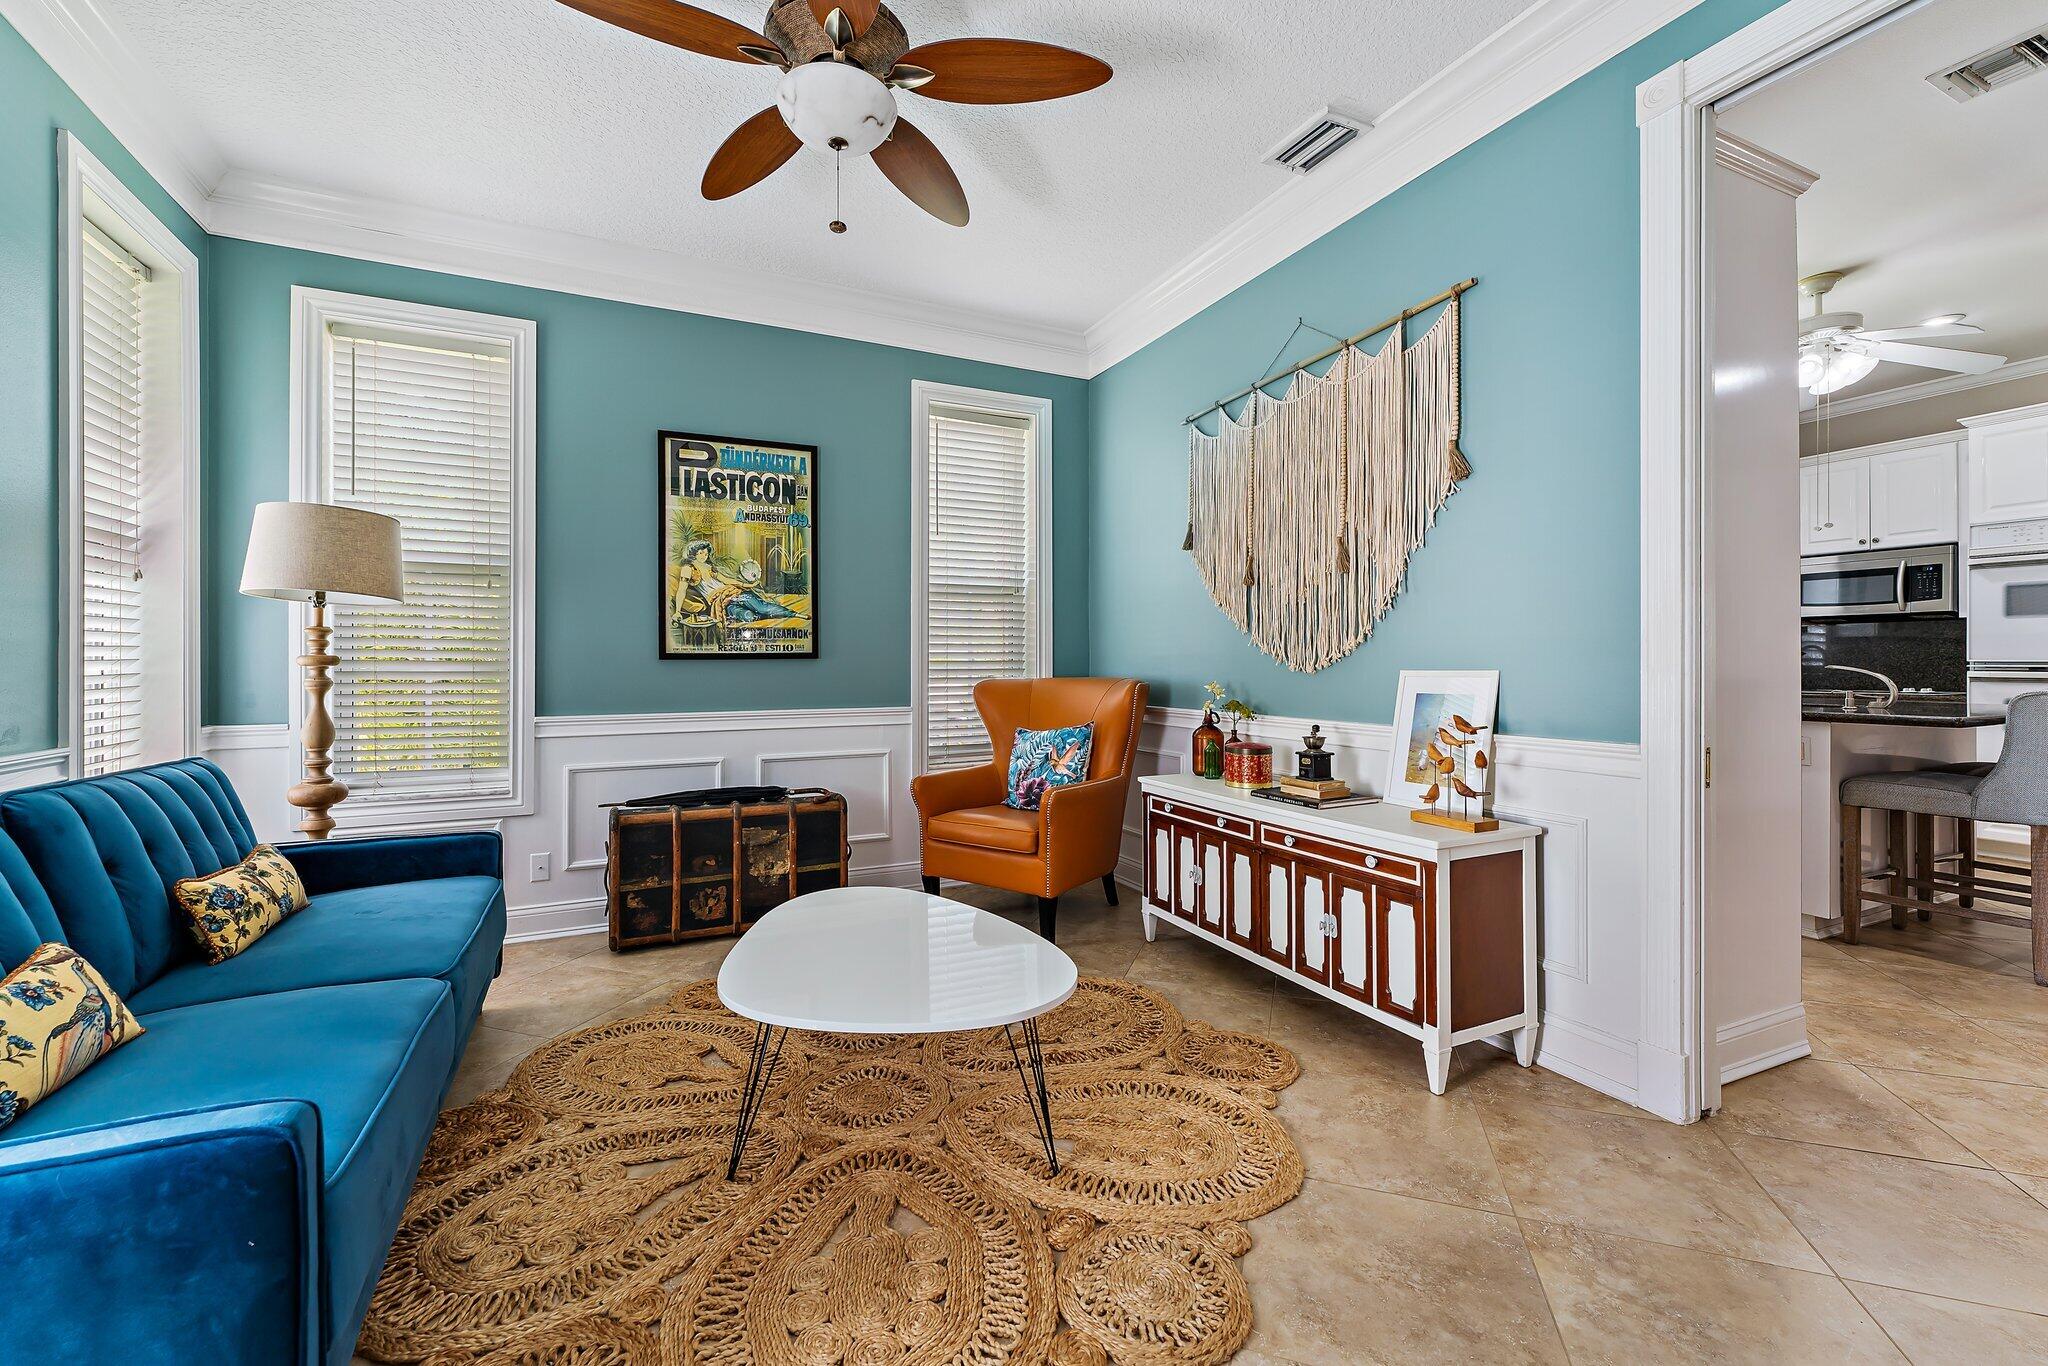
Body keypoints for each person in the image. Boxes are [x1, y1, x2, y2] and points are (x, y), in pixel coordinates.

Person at [674, 539, 807, 626]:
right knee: (749, 617)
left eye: (706, 553)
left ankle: (794, 614)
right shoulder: (688, 569)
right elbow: (681, 590)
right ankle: (763, 612)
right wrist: (677, 611)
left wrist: (748, 585)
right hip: (721, 602)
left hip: (735, 593)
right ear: (693, 554)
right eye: (701, 553)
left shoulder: (710, 568)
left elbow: (726, 580)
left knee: (762, 608)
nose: (705, 556)